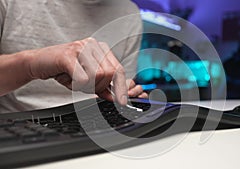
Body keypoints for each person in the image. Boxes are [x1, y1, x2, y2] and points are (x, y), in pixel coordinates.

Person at [0, 0, 147, 113]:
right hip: (20, 130)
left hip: (94, 125)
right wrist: (31, 65)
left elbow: (119, 91)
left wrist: (126, 97)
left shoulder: (129, 14)